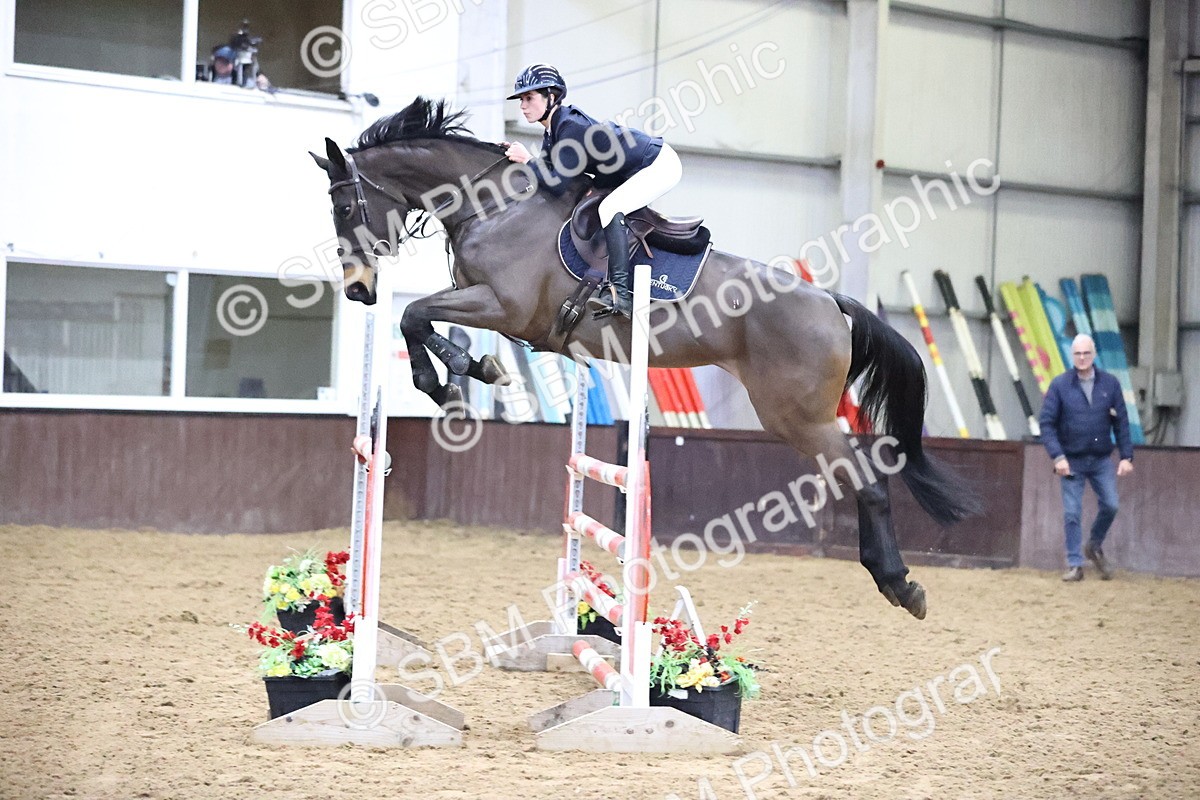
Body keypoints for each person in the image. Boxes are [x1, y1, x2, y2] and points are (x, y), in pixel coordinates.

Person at [502, 64, 682, 319]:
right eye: (521, 99)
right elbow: (550, 178)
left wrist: (527, 160)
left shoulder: (570, 127)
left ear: (551, 97)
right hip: (629, 170)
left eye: (529, 98)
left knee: (610, 208)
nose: (522, 105)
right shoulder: (553, 132)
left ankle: (621, 294)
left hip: (658, 164)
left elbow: (556, 183)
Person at [1038, 333, 1134, 582]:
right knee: (1072, 513)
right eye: (1078, 354)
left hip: (1101, 458)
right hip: (1071, 460)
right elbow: (1047, 424)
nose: (1082, 358)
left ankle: (1094, 544)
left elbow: (1121, 422)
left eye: (1086, 353)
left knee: (1111, 505)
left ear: (1094, 355)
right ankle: (1074, 564)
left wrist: (1126, 456)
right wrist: (1057, 456)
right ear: (1072, 356)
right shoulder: (1059, 385)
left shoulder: (1110, 385)